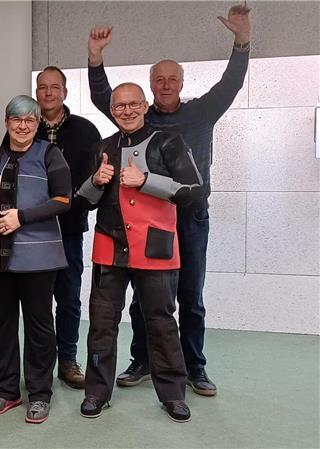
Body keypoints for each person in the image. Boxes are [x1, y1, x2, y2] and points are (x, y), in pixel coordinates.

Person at [86, 4, 251, 396]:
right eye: (157, 79)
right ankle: (142, 360)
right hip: (142, 222)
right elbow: (103, 96)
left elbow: (231, 83)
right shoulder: (136, 119)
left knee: (189, 297)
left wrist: (242, 41)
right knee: (145, 301)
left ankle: (195, 367)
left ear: (181, 82)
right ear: (148, 88)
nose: (165, 85)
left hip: (188, 217)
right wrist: (95, 58)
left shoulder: (201, 112)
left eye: (171, 79)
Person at [75, 83, 203, 423]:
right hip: (109, 248)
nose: (126, 111)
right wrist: (95, 182)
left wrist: (145, 180)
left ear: (145, 106)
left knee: (161, 323)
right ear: (112, 110)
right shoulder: (103, 146)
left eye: (133, 104)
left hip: (156, 249)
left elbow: (194, 190)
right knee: (102, 325)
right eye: (119, 106)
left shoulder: (169, 141)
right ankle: (96, 393)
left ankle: (173, 394)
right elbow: (84, 203)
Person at [0, 95, 72, 424]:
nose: (23, 126)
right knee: (3, 324)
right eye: (16, 119)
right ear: (7, 122)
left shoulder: (50, 154)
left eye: (30, 120)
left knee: (40, 327)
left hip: (39, 258)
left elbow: (63, 200)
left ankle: (40, 394)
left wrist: (21, 217)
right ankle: (7, 390)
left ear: (37, 124)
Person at [33, 66, 102, 389]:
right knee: (37, 300)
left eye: (54, 87)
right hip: (30, 231)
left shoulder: (85, 131)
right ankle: (41, 362)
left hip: (70, 229)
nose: (48, 93)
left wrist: (79, 206)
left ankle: (68, 360)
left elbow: (97, 180)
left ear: (64, 92)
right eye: (42, 87)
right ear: (37, 93)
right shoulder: (24, 128)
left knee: (69, 297)